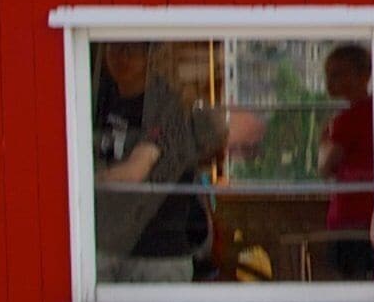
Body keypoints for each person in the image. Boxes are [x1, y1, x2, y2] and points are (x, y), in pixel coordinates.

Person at [89, 42, 252, 282]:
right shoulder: (97, 99)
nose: (121, 57)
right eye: (114, 48)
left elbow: (135, 172)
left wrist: (83, 179)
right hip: (107, 244)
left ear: (149, 58)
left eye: (131, 49)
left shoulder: (167, 105)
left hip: (159, 252)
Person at [314, 41, 374, 281]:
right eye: (330, 75)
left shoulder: (347, 119)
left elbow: (325, 167)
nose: (332, 82)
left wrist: (324, 141)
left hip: (350, 218)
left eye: (339, 74)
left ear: (364, 75)